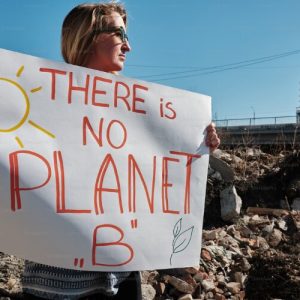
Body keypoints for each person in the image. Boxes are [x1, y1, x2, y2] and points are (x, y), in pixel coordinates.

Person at [21, 2, 220, 300]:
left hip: (121, 276)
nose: (128, 45)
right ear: (88, 36)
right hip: (56, 281)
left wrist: (197, 141)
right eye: (119, 33)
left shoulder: (140, 113)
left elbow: (154, 176)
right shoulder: (41, 101)